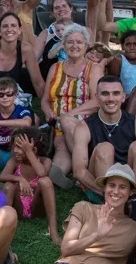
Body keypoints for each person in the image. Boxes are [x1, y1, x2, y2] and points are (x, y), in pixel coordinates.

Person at [70, 75, 136, 197]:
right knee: (104, 149)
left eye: (116, 93)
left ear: (123, 97)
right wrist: (109, 193)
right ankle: (110, 201)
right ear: (97, 97)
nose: (111, 99)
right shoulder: (83, 127)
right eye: (105, 94)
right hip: (101, 183)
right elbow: (79, 171)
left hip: (132, 183)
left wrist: (133, 192)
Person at [43, 24, 103, 177]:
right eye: (70, 42)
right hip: (57, 123)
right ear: (63, 45)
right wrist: (48, 112)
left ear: (86, 46)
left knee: (67, 124)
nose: (74, 45)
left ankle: (85, 172)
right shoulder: (55, 68)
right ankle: (58, 174)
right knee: (61, 144)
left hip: (84, 121)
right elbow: (44, 100)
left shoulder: (93, 68)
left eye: (79, 42)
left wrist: (68, 115)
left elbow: (97, 102)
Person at [0, 12, 45, 115]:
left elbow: (38, 83)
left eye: (13, 25)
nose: (9, 29)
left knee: (34, 121)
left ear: (19, 30)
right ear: (0, 32)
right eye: (5, 26)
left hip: (13, 94)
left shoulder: (26, 49)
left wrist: (48, 110)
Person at [1, 130, 59, 246]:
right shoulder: (14, 162)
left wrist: (28, 151)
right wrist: (20, 179)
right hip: (19, 207)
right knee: (8, 186)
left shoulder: (45, 161)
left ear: (34, 150)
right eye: (14, 147)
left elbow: (42, 173)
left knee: (45, 182)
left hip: (37, 206)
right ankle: (3, 226)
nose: (15, 150)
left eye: (19, 148)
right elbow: (2, 176)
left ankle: (53, 230)